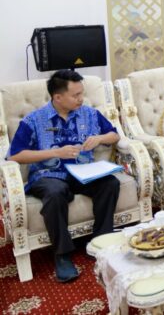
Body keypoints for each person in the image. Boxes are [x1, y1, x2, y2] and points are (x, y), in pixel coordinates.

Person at [7, 70, 121, 282]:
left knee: (110, 183)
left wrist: (99, 139)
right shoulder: (34, 120)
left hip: (82, 172)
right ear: (57, 97)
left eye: (82, 93)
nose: (81, 99)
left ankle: (100, 241)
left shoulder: (89, 114)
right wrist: (55, 153)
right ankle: (62, 255)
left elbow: (114, 135)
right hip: (48, 175)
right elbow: (15, 155)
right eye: (76, 95)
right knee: (55, 192)